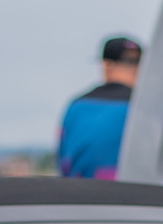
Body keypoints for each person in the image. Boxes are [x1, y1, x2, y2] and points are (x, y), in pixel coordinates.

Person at [56, 36, 141, 180]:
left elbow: (63, 160)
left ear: (106, 64)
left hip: (84, 194)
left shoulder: (77, 107)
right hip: (137, 194)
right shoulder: (147, 109)